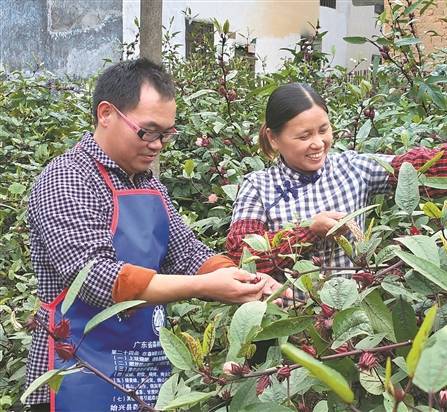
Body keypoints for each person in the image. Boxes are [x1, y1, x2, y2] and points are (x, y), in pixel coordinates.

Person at [26, 58, 288, 412]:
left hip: (144, 375)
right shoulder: (67, 178)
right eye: (148, 131)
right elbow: (94, 277)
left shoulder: (150, 185)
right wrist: (203, 287)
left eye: (167, 134)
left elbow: (186, 252)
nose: (158, 144)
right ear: (106, 113)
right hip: (73, 376)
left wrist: (245, 280)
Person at [226, 82, 447, 278]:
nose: (318, 143)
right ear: (274, 138)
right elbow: (244, 260)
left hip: (358, 314)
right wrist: (308, 230)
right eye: (304, 135)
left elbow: (415, 168)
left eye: (324, 130)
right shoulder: (258, 187)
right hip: (292, 320)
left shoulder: (351, 167)